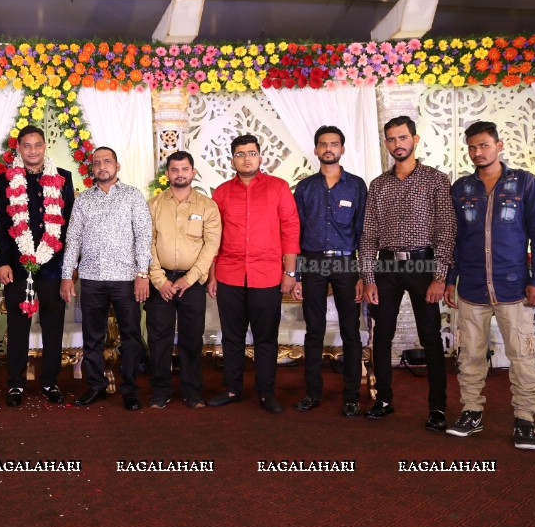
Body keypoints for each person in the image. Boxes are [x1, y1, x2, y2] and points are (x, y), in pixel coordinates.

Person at [443, 121, 535, 449]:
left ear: (498, 145)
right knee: (470, 355)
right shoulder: (461, 188)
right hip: (471, 288)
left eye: (484, 145)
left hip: (513, 288)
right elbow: (453, 238)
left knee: (522, 356)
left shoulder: (524, 184)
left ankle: (524, 419)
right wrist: (449, 279)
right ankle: (471, 413)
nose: (478, 152)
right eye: (472, 147)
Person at [360, 115, 456, 432]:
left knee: (430, 336)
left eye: (402, 138)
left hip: (423, 265)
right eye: (391, 139)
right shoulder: (378, 185)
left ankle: (437, 408)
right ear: (386, 143)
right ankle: (383, 400)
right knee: (382, 335)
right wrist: (369, 277)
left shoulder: (436, 180)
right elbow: (369, 235)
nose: (397, 144)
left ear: (414, 139)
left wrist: (439, 276)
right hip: (386, 266)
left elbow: (446, 230)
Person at [206, 134, 300, 414]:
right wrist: (212, 276)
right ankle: (233, 389)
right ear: (232, 159)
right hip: (229, 274)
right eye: (240, 154)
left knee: (266, 338)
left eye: (251, 153)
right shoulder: (221, 192)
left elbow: (290, 230)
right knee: (232, 337)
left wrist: (290, 272)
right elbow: (213, 237)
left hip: (267, 274)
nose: (246, 158)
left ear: (261, 157)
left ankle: (266, 392)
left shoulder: (279, 188)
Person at [60, 147, 152, 411]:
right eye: (97, 162)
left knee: (131, 336)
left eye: (107, 161)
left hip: (125, 279)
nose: (102, 166)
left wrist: (142, 274)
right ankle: (95, 386)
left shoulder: (133, 196)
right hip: (91, 278)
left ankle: (131, 389)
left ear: (117, 166)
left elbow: (144, 237)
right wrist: (68, 276)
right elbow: (73, 239)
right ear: (92, 168)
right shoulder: (84, 200)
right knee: (93, 337)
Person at [0, 124, 75, 406]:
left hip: (53, 267)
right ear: (19, 149)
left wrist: (68, 270)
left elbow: (70, 229)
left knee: (53, 327)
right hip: (17, 267)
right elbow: (2, 224)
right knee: (18, 326)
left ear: (44, 146)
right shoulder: (5, 180)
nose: (32, 150)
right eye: (26, 146)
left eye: (37, 145)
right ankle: (15, 384)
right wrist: (2, 262)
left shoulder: (63, 178)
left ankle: (50, 382)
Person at [292, 126, 368, 417]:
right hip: (312, 262)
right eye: (323, 144)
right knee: (314, 331)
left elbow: (364, 232)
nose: (328, 148)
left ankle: (351, 396)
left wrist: (364, 273)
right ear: (315, 149)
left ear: (342, 149)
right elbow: (296, 232)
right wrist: (297, 275)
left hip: (347, 263)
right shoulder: (306, 187)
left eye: (334, 144)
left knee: (350, 331)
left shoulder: (357, 186)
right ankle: (312, 392)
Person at [146, 151, 221, 409]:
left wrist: (189, 279)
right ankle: (160, 390)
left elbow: (211, 246)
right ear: (167, 174)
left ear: (193, 173)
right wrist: (159, 280)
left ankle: (192, 391)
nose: (179, 174)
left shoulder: (207, 206)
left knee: (192, 338)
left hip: (193, 282)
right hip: (161, 282)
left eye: (184, 169)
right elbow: (148, 244)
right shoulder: (153, 205)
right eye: (174, 169)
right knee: (158, 339)